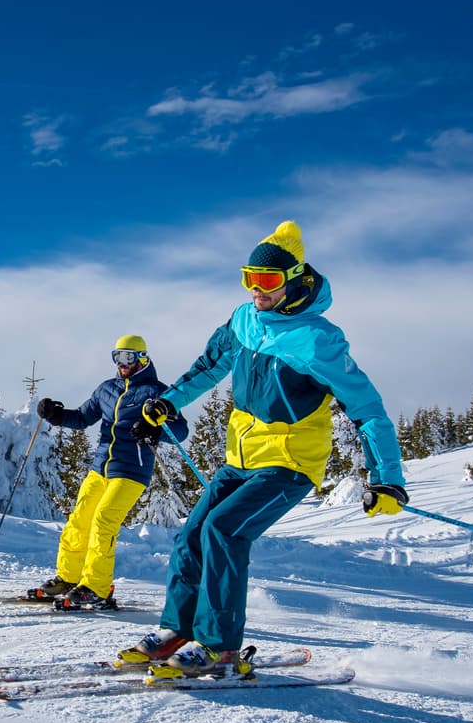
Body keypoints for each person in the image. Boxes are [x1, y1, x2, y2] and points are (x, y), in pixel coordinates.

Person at [120, 220, 407, 675]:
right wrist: (169, 402)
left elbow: (367, 408)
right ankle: (178, 630)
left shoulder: (318, 340)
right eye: (249, 278)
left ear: (293, 280)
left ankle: (219, 648)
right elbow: (210, 366)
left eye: (268, 280)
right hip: (241, 458)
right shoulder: (244, 319)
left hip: (290, 462)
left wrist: (387, 478)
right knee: (193, 533)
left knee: (225, 530)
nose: (257, 289)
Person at [30, 335, 190, 610]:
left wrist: (155, 428)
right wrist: (57, 415)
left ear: (142, 358)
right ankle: (68, 578)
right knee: (79, 521)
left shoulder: (157, 392)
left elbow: (180, 430)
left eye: (128, 357)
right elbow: (83, 417)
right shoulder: (107, 389)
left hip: (131, 470)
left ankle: (96, 588)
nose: (121, 363)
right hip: (100, 468)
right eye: (117, 357)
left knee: (104, 522)